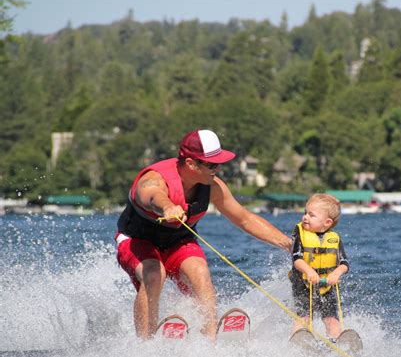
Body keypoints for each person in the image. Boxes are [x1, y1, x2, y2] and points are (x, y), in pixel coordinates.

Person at [115, 129, 292, 340]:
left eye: (219, 163)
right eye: (211, 164)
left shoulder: (213, 187)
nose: (218, 169)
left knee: (200, 273)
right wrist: (168, 206)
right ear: (191, 164)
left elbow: (244, 218)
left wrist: (290, 245)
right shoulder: (154, 179)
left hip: (177, 241)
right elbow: (151, 195)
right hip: (137, 240)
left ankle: (209, 341)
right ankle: (146, 344)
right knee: (154, 274)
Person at [289, 193, 349, 340]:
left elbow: (344, 263)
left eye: (311, 215)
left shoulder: (334, 239)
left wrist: (336, 274)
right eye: (305, 213)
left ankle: (336, 341)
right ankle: (298, 340)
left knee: (331, 319)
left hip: (327, 285)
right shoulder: (299, 235)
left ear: (327, 222)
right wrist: (309, 271)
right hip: (303, 283)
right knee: (304, 317)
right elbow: (297, 259)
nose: (305, 217)